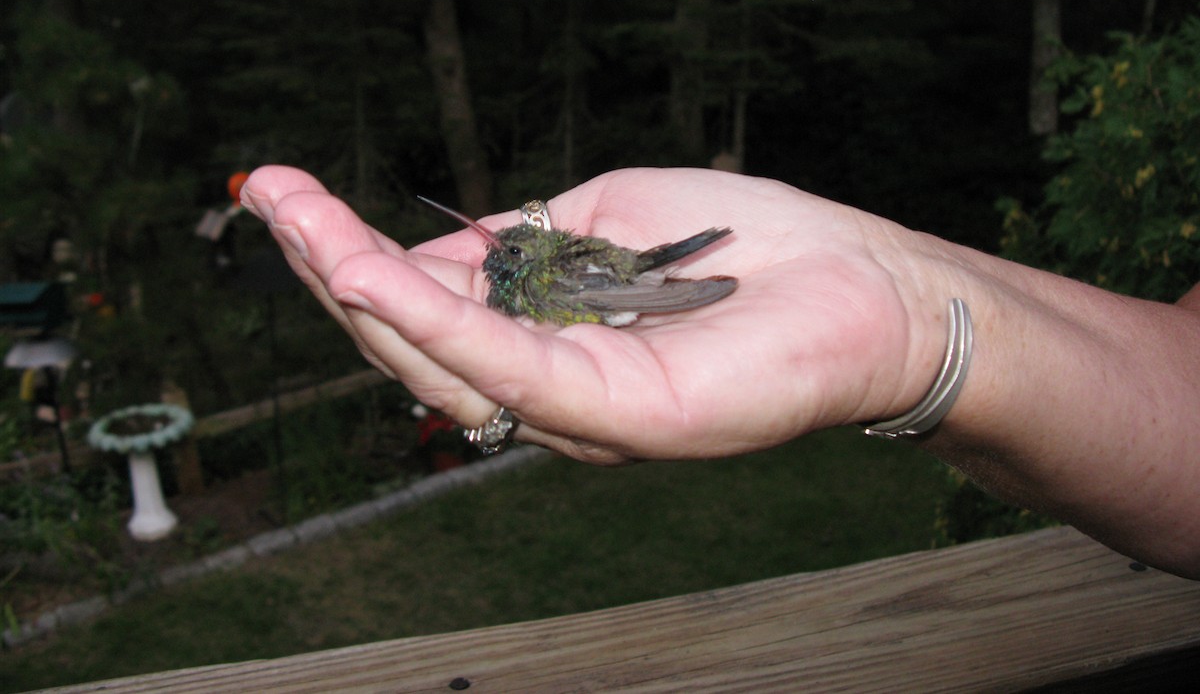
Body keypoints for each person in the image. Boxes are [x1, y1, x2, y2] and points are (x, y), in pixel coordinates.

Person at [240, 165, 1200, 579]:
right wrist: (913, 309)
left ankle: (681, 263)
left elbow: (586, 283)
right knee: (657, 267)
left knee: (655, 273)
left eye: (491, 248)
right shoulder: (532, 269)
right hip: (605, 278)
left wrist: (903, 305)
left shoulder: (540, 283)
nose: (482, 243)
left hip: (610, 286)